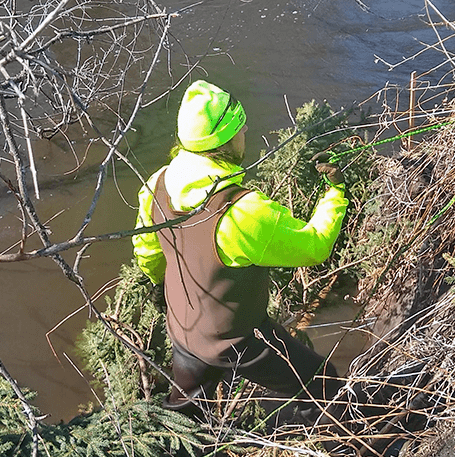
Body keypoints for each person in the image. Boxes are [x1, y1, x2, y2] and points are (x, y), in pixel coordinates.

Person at [131, 79, 349, 427]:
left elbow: (147, 254)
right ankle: (357, 449)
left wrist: (166, 287)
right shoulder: (241, 210)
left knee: (185, 417)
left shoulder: (156, 184)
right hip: (237, 339)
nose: (246, 128)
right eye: (239, 126)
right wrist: (335, 190)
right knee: (320, 382)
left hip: (184, 331)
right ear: (225, 140)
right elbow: (315, 245)